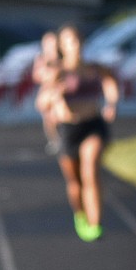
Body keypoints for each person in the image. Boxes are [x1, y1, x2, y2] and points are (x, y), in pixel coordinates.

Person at [45, 24, 120, 241]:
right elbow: (42, 101)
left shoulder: (94, 68)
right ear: (63, 46)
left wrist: (111, 103)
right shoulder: (59, 72)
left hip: (93, 125)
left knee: (91, 169)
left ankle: (96, 223)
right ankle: (80, 215)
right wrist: (55, 97)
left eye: (78, 40)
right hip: (69, 130)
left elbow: (111, 81)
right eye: (70, 41)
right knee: (75, 182)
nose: (76, 45)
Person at [32, 30, 63, 153]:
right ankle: (55, 140)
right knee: (48, 118)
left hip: (60, 91)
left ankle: (66, 138)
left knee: (59, 116)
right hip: (47, 92)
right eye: (47, 43)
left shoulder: (62, 58)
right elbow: (37, 76)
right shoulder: (41, 59)